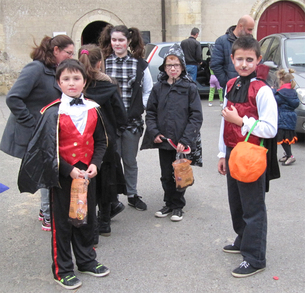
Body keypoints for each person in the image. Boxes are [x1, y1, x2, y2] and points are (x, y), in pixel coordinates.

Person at [18, 59, 110, 290]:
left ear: (85, 81)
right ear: (58, 83)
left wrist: (96, 164)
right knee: (63, 224)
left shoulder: (93, 108)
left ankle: (87, 261)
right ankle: (63, 269)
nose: (72, 83)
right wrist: (69, 170)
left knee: (85, 219)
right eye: (66, 79)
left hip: (88, 175)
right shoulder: (52, 113)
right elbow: (45, 150)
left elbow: (101, 141)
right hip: (62, 177)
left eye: (76, 78)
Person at [0, 34, 74, 231]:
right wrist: (33, 125)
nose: (70, 56)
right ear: (56, 50)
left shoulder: (53, 70)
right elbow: (13, 98)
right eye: (68, 53)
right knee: (48, 172)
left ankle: (45, 212)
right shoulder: (35, 68)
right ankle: (48, 215)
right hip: (33, 134)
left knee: (48, 170)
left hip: (46, 133)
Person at [217, 37, 278, 277]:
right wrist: (222, 152)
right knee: (237, 202)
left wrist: (241, 121)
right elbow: (224, 121)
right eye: (239, 59)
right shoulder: (231, 84)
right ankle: (243, 239)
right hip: (233, 151)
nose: (243, 64)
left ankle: (255, 257)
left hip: (251, 154)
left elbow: (270, 129)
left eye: (249, 59)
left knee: (253, 207)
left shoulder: (262, 90)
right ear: (232, 59)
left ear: (258, 60)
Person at [141, 43, 203, 222]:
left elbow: (196, 116)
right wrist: (154, 132)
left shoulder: (190, 88)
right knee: (166, 174)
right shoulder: (158, 88)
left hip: (182, 141)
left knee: (180, 174)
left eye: (176, 64)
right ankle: (168, 203)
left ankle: (178, 206)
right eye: (169, 65)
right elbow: (150, 112)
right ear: (164, 67)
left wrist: (186, 139)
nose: (173, 68)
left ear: (182, 66)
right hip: (164, 140)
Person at [99, 24, 153, 211]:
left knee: (130, 160)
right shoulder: (104, 62)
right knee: (112, 161)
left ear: (129, 41)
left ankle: (132, 194)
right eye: (114, 40)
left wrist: (139, 108)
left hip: (132, 122)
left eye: (121, 40)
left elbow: (148, 90)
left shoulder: (140, 64)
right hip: (109, 123)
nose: (117, 43)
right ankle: (112, 197)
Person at [78, 44, 127, 239]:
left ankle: (87, 223)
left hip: (83, 141)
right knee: (107, 180)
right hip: (106, 139)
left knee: (88, 179)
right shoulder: (109, 85)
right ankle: (104, 221)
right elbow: (120, 114)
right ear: (100, 63)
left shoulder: (77, 87)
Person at [210, 15, 255, 90]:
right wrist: (227, 82)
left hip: (249, 86)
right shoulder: (222, 41)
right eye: (249, 29)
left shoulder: (252, 42)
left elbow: (258, 63)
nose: (251, 32)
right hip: (231, 87)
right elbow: (215, 64)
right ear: (240, 26)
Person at [273, 69, 299, 165]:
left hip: (283, 118)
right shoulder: (292, 92)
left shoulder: (281, 93)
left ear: (281, 81)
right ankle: (288, 155)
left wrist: (272, 90)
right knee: (286, 138)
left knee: (283, 139)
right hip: (291, 118)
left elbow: (274, 100)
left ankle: (290, 155)